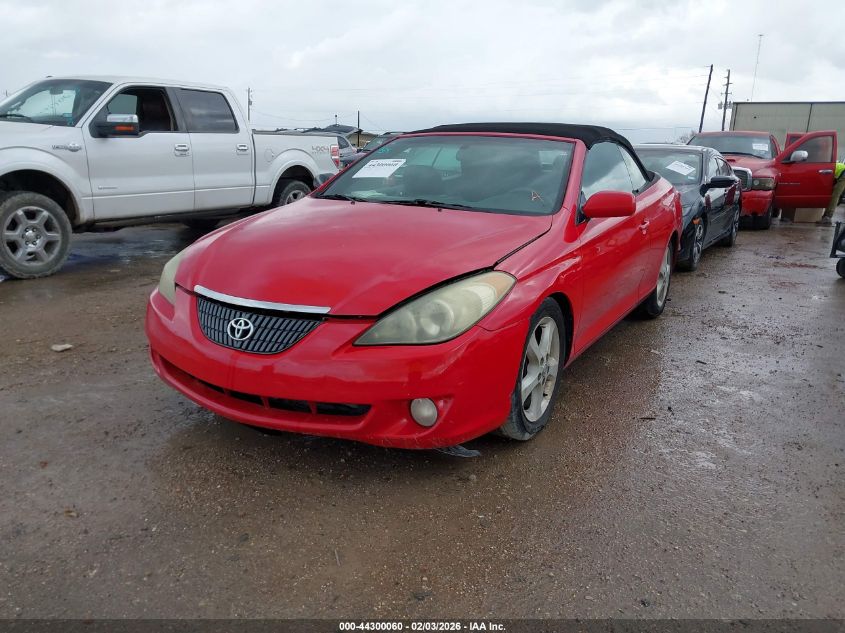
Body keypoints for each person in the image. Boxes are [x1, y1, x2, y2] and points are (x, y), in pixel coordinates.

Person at [819, 159, 845, 226]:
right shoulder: (825, 165)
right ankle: (825, 217)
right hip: (840, 174)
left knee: (835, 196)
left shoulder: (824, 168)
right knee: (835, 195)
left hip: (843, 175)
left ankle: (828, 217)